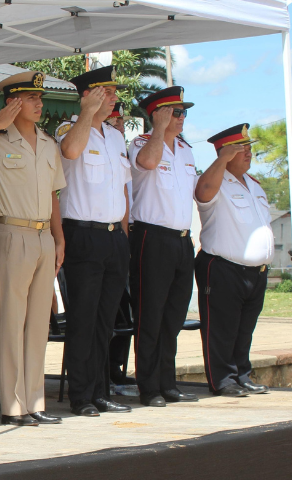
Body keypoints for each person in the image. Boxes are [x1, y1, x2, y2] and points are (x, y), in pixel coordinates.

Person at [0, 71, 66, 427]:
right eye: (31, 98)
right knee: (11, 320)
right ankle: (12, 403)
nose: (39, 104)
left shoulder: (48, 143)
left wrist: (59, 238)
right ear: (13, 102)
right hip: (11, 233)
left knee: (39, 322)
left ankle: (34, 400)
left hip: (43, 236)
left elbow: (54, 195)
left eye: (40, 98)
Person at [54, 66, 132, 417]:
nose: (113, 97)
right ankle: (81, 395)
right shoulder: (68, 128)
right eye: (106, 91)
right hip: (83, 233)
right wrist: (87, 113)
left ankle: (101, 390)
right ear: (87, 95)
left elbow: (123, 190)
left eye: (114, 92)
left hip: (114, 236)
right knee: (84, 319)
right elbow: (70, 152)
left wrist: (125, 235)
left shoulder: (116, 137)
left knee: (105, 320)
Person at [128, 86, 199, 408]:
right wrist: (158, 128)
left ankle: (167, 382)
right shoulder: (142, 143)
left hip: (182, 240)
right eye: (175, 112)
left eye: (184, 112)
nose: (181, 118)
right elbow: (147, 163)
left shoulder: (186, 150)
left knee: (173, 317)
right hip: (152, 237)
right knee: (150, 315)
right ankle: (149, 386)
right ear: (159, 114)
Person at [194, 124, 273, 397]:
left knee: (244, 330)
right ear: (225, 153)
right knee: (221, 328)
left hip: (255, 271)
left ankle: (242, 374)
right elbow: (202, 192)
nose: (248, 153)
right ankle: (223, 379)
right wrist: (221, 161)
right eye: (241, 149)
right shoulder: (216, 180)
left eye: (249, 148)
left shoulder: (254, 184)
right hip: (223, 267)